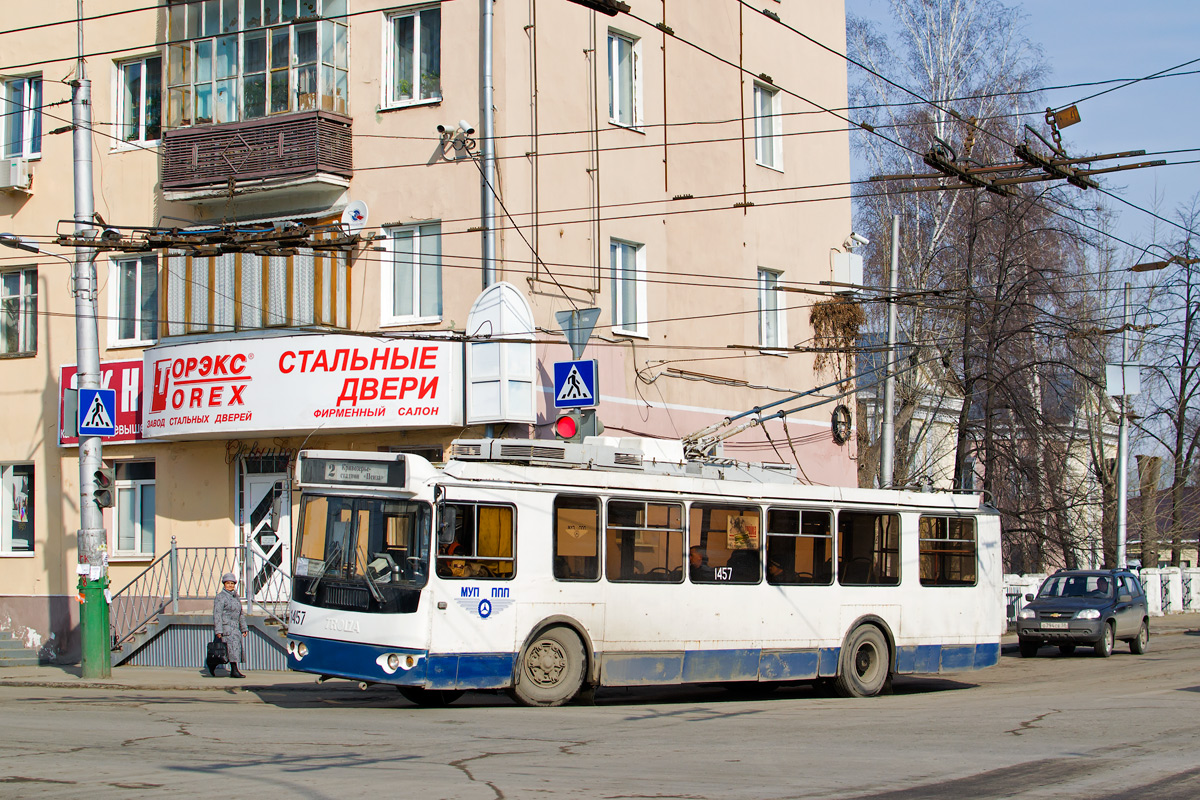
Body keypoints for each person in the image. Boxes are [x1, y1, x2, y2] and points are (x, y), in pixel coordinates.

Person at [212, 572, 248, 678]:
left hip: (235, 627)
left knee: (234, 649)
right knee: (228, 650)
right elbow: (217, 614)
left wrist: (244, 628)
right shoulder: (220, 597)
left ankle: (233, 669)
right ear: (224, 584)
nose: (230, 585)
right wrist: (218, 630)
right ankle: (232, 669)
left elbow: (240, 614)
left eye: (232, 583)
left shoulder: (236, 597)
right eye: (228, 583)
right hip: (226, 628)